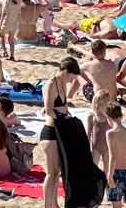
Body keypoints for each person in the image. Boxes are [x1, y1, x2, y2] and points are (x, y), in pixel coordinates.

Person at [39, 56, 85, 208]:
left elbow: (63, 107)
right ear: (66, 72)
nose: (72, 81)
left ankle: (54, 204)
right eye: (72, 77)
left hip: (61, 129)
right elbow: (48, 109)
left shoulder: (62, 83)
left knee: (58, 170)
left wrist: (68, 117)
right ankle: (47, 205)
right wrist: (62, 119)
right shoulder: (51, 84)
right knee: (51, 172)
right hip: (52, 132)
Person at [105, 103, 126, 206]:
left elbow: (113, 156)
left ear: (108, 117)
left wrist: (109, 176)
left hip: (117, 171)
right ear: (121, 116)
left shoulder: (110, 134)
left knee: (116, 204)